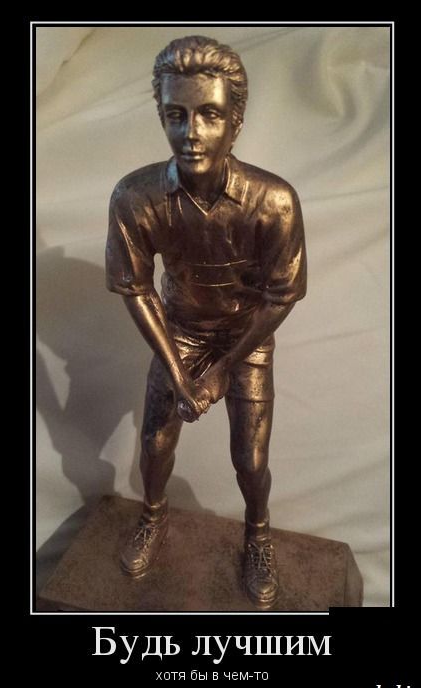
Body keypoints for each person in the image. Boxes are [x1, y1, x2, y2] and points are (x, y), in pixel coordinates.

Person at [105, 35, 307, 609]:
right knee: (155, 441)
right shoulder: (136, 197)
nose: (191, 131)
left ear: (235, 123)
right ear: (162, 119)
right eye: (176, 115)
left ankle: (258, 534)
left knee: (252, 459)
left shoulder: (274, 201)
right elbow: (136, 287)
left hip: (247, 338)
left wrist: (221, 370)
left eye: (209, 115)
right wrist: (178, 372)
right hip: (179, 331)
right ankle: (153, 514)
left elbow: (282, 295)